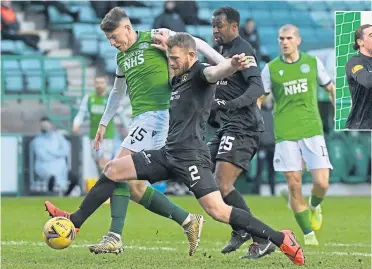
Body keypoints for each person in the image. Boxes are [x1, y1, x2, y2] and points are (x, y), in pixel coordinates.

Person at [45, 33, 304, 266]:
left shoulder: (201, 72)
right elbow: (173, 54)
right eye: (169, 58)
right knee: (113, 169)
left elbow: (216, 72)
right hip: (168, 154)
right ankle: (76, 222)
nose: (171, 62)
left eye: (175, 58)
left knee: (218, 211)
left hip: (191, 157)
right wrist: (164, 44)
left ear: (191, 56)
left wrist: (231, 65)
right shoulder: (178, 77)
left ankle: (282, 238)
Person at [47, 7, 218, 256]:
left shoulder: (155, 37)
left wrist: (220, 60)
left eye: (115, 36)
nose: (113, 42)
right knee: (135, 188)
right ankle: (188, 220)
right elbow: (117, 93)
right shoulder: (121, 58)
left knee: (115, 169)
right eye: (108, 39)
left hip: (158, 115)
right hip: (142, 119)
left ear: (127, 28)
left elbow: (194, 42)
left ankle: (98, 229)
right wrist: (104, 123)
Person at [206, 7, 275, 258]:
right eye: (213, 26)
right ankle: (241, 228)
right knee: (198, 166)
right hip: (227, 126)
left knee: (222, 185)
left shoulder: (242, 50)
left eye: (220, 26)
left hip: (244, 126)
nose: (215, 30)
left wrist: (228, 105)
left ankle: (260, 237)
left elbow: (257, 87)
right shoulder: (221, 51)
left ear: (234, 26)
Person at [261, 24, 335, 246]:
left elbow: (330, 88)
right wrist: (255, 116)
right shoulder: (271, 69)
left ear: (298, 40)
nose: (284, 42)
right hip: (285, 132)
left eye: (288, 38)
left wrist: (341, 110)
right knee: (294, 184)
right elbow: (260, 97)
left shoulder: (312, 63)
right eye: (280, 38)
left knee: (322, 183)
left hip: (312, 129)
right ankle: (308, 235)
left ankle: (314, 206)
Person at [72, 75, 115, 174]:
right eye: (97, 83)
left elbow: (119, 112)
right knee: (98, 162)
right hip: (94, 136)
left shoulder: (111, 98)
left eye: (102, 83)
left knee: (104, 161)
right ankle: (104, 182)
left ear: (106, 85)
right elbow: (81, 113)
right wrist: (76, 123)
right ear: (94, 84)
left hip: (107, 135)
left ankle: (106, 185)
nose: (99, 85)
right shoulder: (89, 98)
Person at [32, 117, 78, 196]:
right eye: (43, 126)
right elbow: (43, 156)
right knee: (52, 178)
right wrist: (58, 155)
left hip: (61, 167)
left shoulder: (58, 137)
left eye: (46, 125)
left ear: (50, 125)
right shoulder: (38, 140)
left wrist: (51, 152)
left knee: (74, 178)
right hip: (45, 167)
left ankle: (66, 195)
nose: (45, 127)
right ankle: (51, 196)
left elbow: (65, 150)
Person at [345, 24, 372, 129]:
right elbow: (367, 81)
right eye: (371, 35)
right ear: (360, 42)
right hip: (361, 126)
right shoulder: (355, 62)